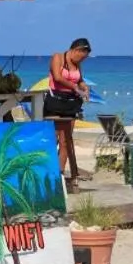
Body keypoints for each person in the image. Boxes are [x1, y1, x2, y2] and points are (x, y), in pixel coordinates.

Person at [45, 38, 92, 174]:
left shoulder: (78, 65)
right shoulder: (58, 57)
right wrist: (75, 87)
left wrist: (85, 87)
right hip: (55, 101)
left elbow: (80, 80)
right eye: (82, 56)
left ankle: (60, 174)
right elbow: (58, 77)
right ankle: (48, 171)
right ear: (76, 50)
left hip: (71, 103)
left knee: (66, 140)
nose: (82, 60)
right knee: (52, 139)